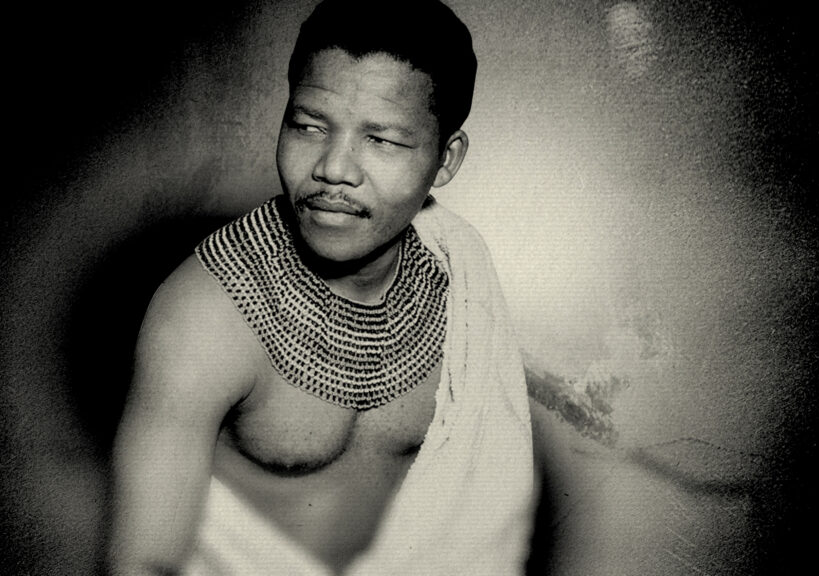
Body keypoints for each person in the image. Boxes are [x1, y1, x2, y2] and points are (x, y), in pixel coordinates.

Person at [109, 1, 543, 574]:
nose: (334, 168)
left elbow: (486, 517)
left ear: (446, 159)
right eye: (309, 126)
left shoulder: (459, 281)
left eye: (381, 140)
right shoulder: (205, 314)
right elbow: (144, 563)